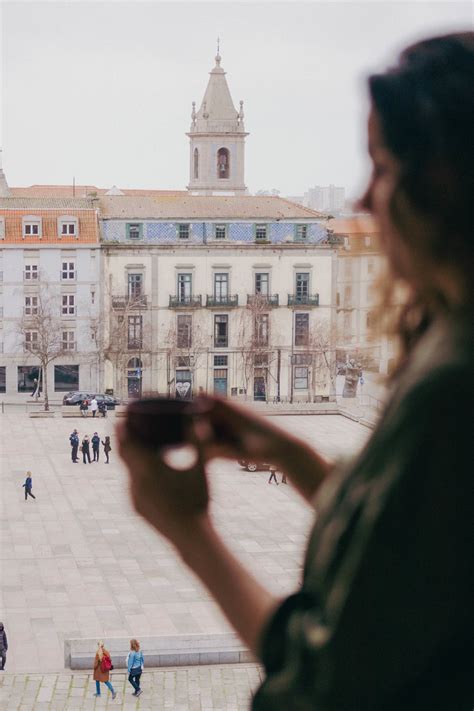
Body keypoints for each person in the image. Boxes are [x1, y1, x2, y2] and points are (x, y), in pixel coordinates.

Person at [118, 33, 474, 710]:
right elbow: (406, 546)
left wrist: (189, 532)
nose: (364, 201)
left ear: (446, 185)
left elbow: (322, 683)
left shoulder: (453, 387)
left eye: (385, 168)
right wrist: (291, 453)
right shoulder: (449, 348)